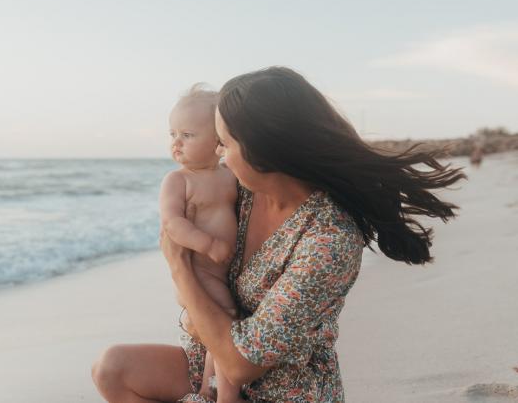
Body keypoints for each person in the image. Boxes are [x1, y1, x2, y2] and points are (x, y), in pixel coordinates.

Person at [91, 66, 466, 403]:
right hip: (209, 362)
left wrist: (179, 268)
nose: (219, 154)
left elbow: (241, 364)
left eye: (226, 143)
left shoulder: (328, 239)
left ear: (263, 153)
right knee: (112, 368)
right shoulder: (242, 193)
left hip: (280, 389)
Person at [159, 84, 240, 402]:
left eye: (188, 135)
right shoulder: (178, 180)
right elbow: (172, 223)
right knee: (225, 322)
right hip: (200, 271)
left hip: (222, 271)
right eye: (172, 134)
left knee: (215, 330)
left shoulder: (229, 174)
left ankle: (209, 386)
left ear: (219, 140)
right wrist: (207, 244)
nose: (176, 143)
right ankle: (221, 393)